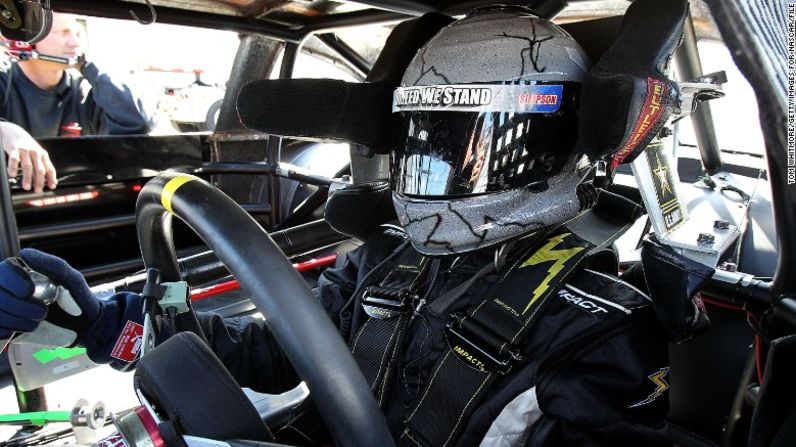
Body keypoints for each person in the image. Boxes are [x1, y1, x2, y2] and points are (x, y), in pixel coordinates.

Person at [0, 8, 682, 446]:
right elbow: (277, 355)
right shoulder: (387, 261)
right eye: (426, 140)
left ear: (553, 145)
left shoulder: (600, 332)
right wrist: (100, 321)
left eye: (467, 143)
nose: (438, 165)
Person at [0, 12, 152, 192]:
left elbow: (138, 122)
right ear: (24, 40)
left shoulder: (85, 92)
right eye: (62, 32)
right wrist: (4, 131)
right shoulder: (4, 81)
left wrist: (88, 66)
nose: (75, 43)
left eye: (77, 34)